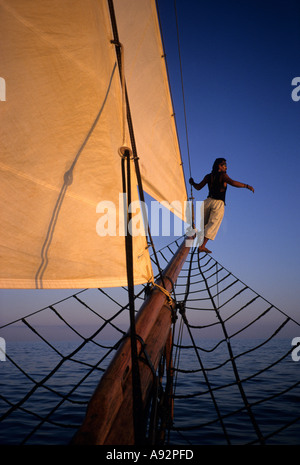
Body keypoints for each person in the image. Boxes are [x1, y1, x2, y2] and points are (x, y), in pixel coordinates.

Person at [189, 158, 254, 253]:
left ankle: (195, 237)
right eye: (224, 165)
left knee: (203, 225)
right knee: (213, 225)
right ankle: (202, 246)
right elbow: (232, 182)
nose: (226, 167)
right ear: (219, 166)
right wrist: (247, 186)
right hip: (218, 203)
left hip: (207, 202)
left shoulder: (208, 176)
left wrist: (192, 183)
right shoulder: (223, 175)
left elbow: (198, 187)